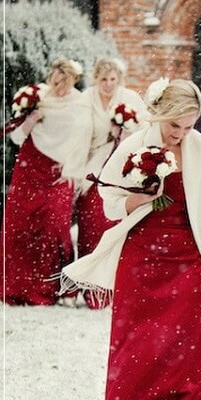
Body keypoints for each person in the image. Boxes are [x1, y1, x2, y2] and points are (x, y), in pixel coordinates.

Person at [60, 78, 201, 400]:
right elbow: (110, 202)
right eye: (175, 126)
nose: (181, 134)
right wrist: (143, 196)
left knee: (188, 364)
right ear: (159, 115)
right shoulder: (134, 145)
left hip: (188, 261)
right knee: (140, 361)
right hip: (143, 261)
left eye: (189, 126)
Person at [0, 57, 90, 306]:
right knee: (20, 226)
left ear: (74, 80)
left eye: (65, 82)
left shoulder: (81, 104)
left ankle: (49, 288)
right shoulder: (36, 96)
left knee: (54, 227)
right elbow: (16, 138)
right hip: (30, 166)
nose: (59, 88)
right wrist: (31, 118)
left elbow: (84, 141)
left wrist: (74, 170)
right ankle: (16, 286)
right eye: (55, 81)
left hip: (61, 171)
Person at [75, 57, 147, 306]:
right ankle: (88, 288)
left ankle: (113, 290)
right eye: (103, 79)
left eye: (112, 79)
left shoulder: (130, 99)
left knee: (110, 226)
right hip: (92, 170)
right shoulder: (85, 99)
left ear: (119, 80)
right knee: (89, 228)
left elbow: (143, 131)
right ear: (96, 79)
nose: (108, 84)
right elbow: (77, 134)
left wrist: (124, 134)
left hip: (118, 172)